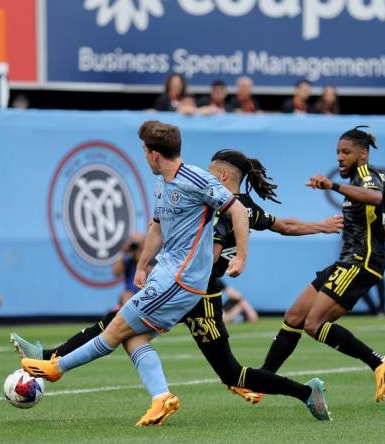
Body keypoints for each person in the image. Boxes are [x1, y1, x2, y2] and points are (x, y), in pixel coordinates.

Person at [20, 121, 330, 427]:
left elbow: (216, 245)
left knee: (118, 326)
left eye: (212, 170)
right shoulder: (234, 203)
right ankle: (302, 392)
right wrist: (320, 226)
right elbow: (283, 226)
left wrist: (233, 260)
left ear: (221, 175)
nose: (207, 174)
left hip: (192, 289)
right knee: (139, 335)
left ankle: (54, 364)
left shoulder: (210, 197)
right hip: (189, 286)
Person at [259, 126, 385, 403]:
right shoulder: (366, 179)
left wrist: (333, 186)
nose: (340, 157)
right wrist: (375, 238)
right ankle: (262, 380)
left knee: (314, 324)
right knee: (294, 316)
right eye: (338, 152)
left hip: (359, 261)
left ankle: (379, 362)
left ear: (362, 154)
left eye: (346, 152)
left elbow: (375, 198)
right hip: (349, 259)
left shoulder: (366, 176)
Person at [112, 233, 145, 305]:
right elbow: (116, 273)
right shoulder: (128, 259)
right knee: (126, 295)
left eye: (138, 244)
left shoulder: (151, 258)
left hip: (146, 293)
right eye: (134, 244)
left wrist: (139, 255)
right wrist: (123, 252)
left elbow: (148, 270)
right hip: (130, 294)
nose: (136, 247)